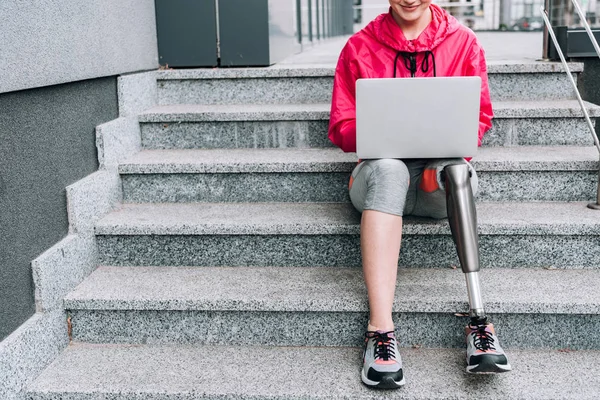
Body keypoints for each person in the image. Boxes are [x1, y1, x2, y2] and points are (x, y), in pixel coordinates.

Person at [328, 0, 512, 389]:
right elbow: (341, 124)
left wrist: (441, 146)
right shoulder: (359, 47)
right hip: (378, 177)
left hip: (434, 184)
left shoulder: (463, 42)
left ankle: (480, 321)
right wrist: (380, 132)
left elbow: (479, 117)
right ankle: (381, 332)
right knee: (391, 169)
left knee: (457, 171)